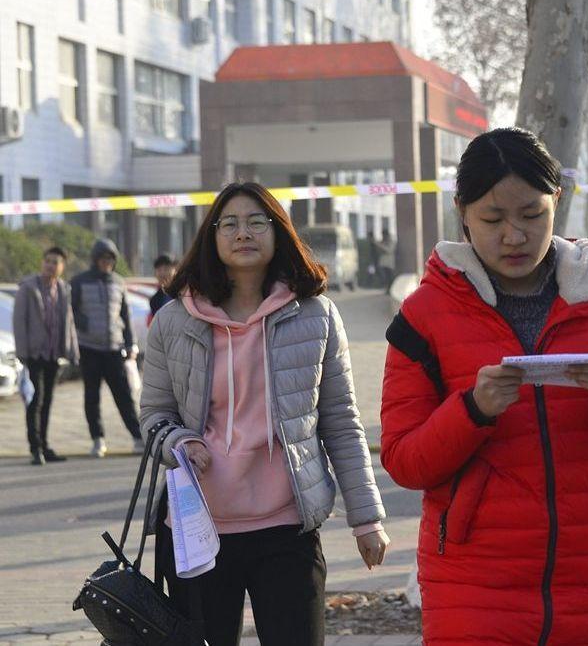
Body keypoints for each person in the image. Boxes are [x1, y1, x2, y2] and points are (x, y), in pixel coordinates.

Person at [380, 127, 588, 644]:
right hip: (473, 589)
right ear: (462, 211)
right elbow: (405, 460)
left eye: (532, 215)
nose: (514, 236)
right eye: (493, 219)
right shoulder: (424, 314)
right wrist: (472, 410)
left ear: (558, 201)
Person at [140, 181, 389, 646]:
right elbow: (154, 415)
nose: (243, 233)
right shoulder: (175, 320)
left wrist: (367, 519)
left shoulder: (316, 315)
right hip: (198, 530)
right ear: (212, 238)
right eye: (229, 223)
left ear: (278, 233)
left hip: (286, 526)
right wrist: (178, 442)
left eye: (257, 222)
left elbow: (341, 421)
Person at [71, 238, 142, 458]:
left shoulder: (118, 282)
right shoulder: (79, 281)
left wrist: (131, 343)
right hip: (89, 348)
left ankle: (138, 437)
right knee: (91, 396)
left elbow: (126, 316)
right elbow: (70, 311)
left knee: (124, 395)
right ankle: (97, 439)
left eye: (111, 259)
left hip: (113, 347)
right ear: (95, 259)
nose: (107, 263)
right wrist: (83, 325)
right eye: (103, 259)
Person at [13, 247, 79, 465]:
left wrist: (71, 350)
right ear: (42, 262)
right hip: (34, 354)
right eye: (48, 261)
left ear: (62, 267)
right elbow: (19, 323)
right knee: (36, 399)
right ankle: (35, 448)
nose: (51, 265)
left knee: (48, 400)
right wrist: (22, 353)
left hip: (53, 354)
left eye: (56, 262)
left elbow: (68, 321)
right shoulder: (28, 288)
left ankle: (45, 444)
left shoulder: (62, 289)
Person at [148, 254, 177, 319]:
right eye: (159, 270)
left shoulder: (184, 293)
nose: (162, 273)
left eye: (166, 269)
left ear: (175, 270)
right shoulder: (154, 301)